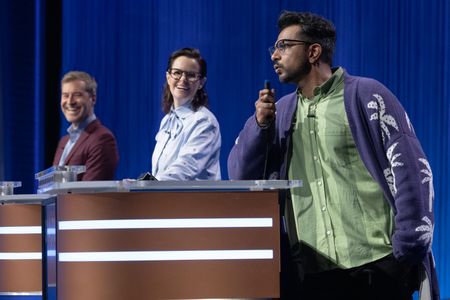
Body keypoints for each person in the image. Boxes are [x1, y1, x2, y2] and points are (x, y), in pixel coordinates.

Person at [228, 11, 438, 300]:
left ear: (314, 51)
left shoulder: (367, 95)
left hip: (377, 268)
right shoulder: (283, 112)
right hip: (314, 275)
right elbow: (240, 175)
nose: (274, 56)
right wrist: (260, 125)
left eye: (284, 46)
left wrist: (407, 246)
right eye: (274, 48)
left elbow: (412, 170)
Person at [151, 48, 221, 180]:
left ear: (201, 83)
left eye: (191, 75)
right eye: (177, 73)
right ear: (168, 77)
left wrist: (146, 185)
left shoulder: (204, 121)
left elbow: (186, 168)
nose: (183, 79)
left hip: (194, 200)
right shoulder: (166, 121)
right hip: (165, 198)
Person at [53, 71, 119, 180]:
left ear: (93, 98)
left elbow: (89, 192)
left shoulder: (102, 139)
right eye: (65, 95)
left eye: (77, 95)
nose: (70, 101)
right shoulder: (64, 141)